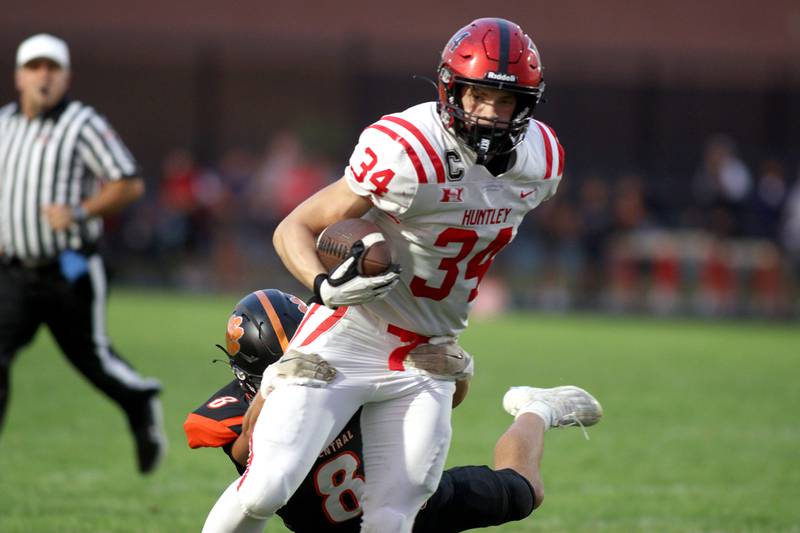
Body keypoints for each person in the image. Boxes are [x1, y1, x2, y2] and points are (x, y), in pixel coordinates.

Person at [204, 18, 570, 532]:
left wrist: (446, 329)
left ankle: (534, 410)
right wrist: (323, 286)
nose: (489, 113)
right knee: (266, 485)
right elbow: (296, 227)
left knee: (394, 517)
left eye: (504, 102)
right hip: (353, 330)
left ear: (527, 105)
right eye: (477, 96)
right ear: (450, 90)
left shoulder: (541, 161)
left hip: (427, 348)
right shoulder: (407, 149)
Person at [189, 289, 602, 532]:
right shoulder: (236, 408)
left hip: (421, 505)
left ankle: (536, 409)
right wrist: (270, 394)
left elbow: (443, 401)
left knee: (526, 492)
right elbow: (246, 458)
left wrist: (456, 373)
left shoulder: (351, 362)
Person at [0, 34, 166, 473]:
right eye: (34, 67)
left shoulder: (82, 123)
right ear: (19, 75)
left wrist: (80, 210)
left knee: (91, 359)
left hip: (69, 264)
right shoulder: (4, 125)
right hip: (13, 270)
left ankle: (140, 402)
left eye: (52, 68)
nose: (43, 76)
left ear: (66, 77)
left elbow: (129, 182)